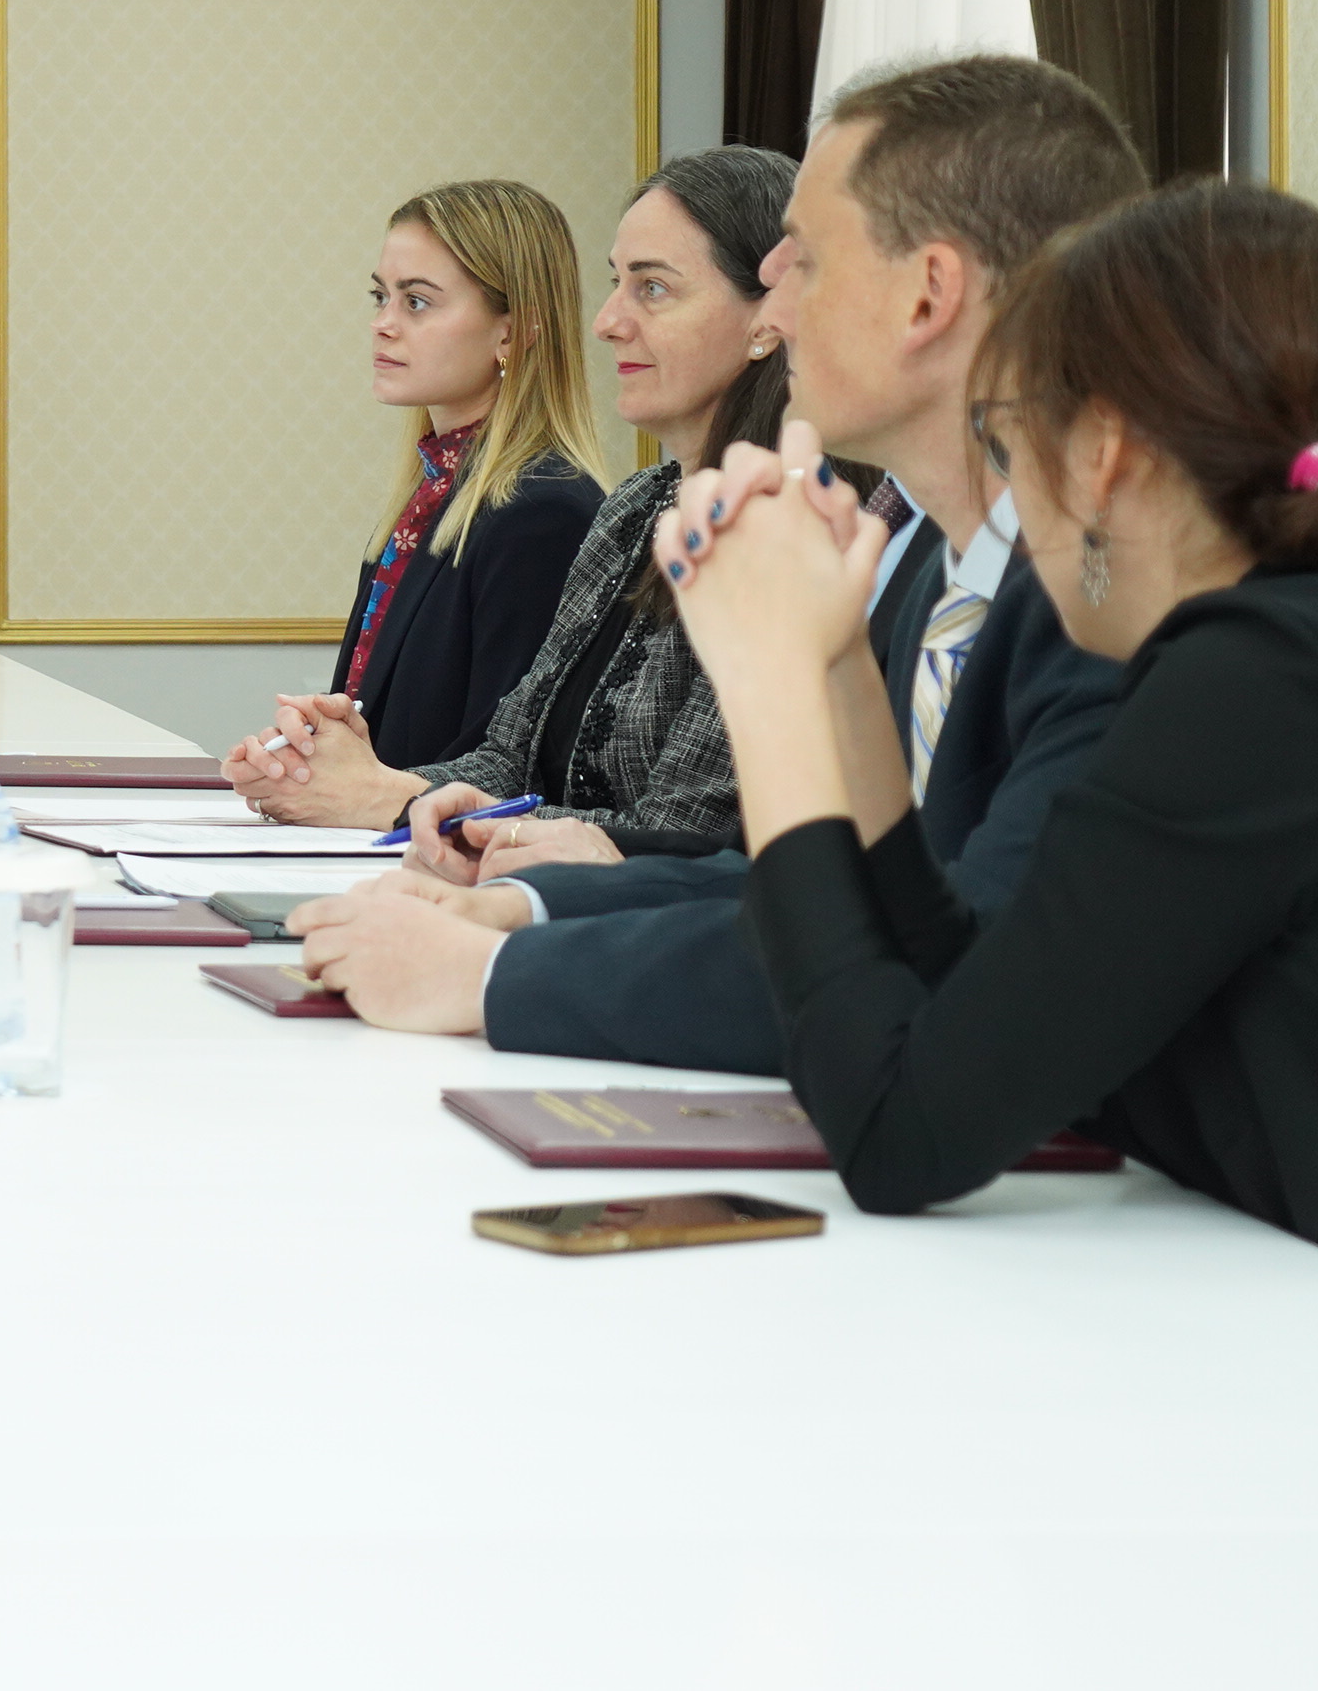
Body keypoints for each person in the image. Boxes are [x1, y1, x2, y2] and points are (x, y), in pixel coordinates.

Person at [659, 184, 1318, 1422]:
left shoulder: (1269, 694)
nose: (1008, 493)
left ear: (1101, 455)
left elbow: (895, 1133)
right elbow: (970, 996)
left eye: (1007, 438)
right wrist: (835, 661)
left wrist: (765, 674)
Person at [294, 54, 1139, 1057]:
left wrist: (496, 970)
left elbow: (945, 987)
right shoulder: (926, 561)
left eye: (806, 265)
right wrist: (529, 909)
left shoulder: (1100, 603)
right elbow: (832, 896)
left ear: (928, 296)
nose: (777, 315)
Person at [230, 148, 797, 850]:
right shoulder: (635, 509)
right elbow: (509, 759)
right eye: (616, 284)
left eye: (652, 288)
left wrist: (390, 798)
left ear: (769, 319)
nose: (606, 321)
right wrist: (345, 778)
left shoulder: (789, 534)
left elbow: (684, 835)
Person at [218, 178, 604, 800]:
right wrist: (305, 756)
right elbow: (383, 743)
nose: (383, 324)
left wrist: (351, 789)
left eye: (417, 302)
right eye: (381, 296)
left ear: (512, 332)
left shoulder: (544, 515)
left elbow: (510, 775)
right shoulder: (432, 497)